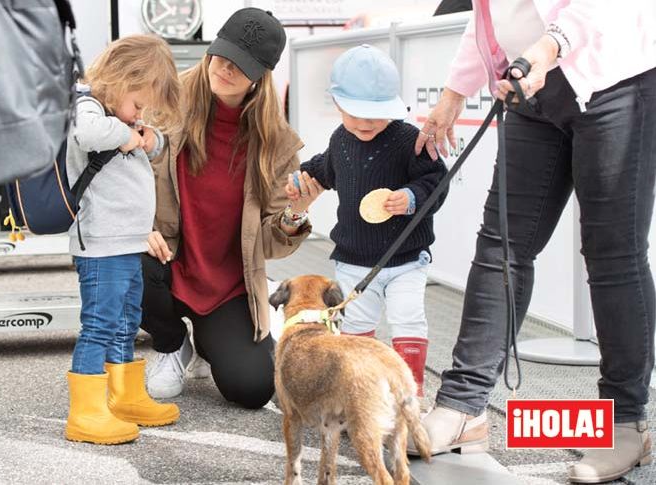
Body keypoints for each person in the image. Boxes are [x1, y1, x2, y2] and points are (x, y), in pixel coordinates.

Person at [413, 1, 656, 482]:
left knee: (613, 256)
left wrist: (549, 48)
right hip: (530, 84)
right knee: (501, 245)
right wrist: (453, 92)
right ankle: (463, 408)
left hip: (612, 77)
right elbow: (489, 15)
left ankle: (626, 424)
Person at [141, 8, 321, 408]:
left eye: (240, 65)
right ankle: (171, 344)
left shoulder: (276, 144)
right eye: (221, 54)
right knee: (127, 257)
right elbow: (127, 176)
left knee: (253, 388)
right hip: (164, 261)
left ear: (260, 75)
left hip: (225, 286)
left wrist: (296, 213)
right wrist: (138, 225)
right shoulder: (166, 103)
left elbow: (272, 244)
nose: (224, 68)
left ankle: (207, 340)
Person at [294, 45, 449, 399]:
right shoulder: (341, 140)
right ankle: (359, 395)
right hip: (352, 259)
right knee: (356, 326)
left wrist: (411, 197)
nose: (365, 123)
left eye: (375, 115)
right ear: (337, 105)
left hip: (407, 256)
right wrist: (300, 177)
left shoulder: (411, 140)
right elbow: (324, 168)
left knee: (408, 320)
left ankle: (409, 396)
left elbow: (435, 182)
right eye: (356, 114)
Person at [64, 34, 183, 445]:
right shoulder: (88, 107)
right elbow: (88, 134)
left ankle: (124, 396)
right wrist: (126, 132)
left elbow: (156, 141)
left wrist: (148, 137)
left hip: (128, 242)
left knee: (126, 322)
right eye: (138, 103)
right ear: (118, 80)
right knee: (99, 324)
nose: (139, 115)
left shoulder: (121, 118)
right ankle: (86, 411)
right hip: (100, 244)